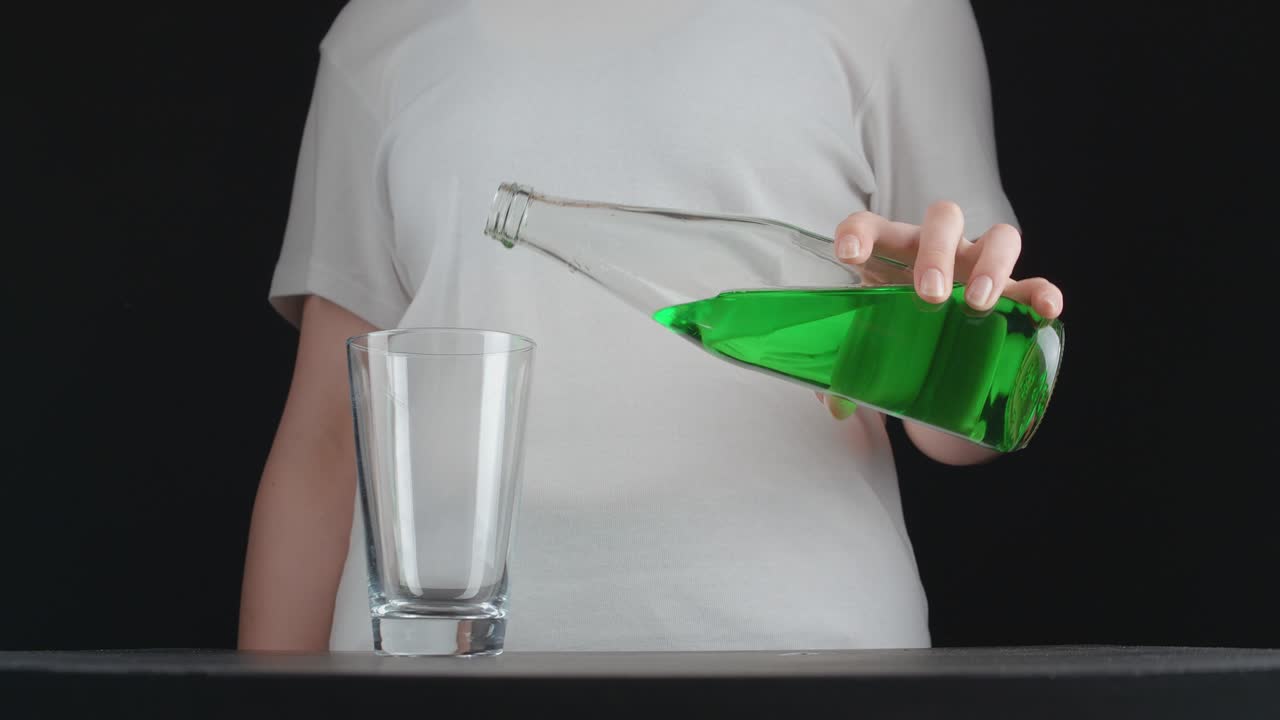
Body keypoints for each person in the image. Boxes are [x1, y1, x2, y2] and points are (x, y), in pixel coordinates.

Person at [238, 0, 1064, 653]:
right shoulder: (384, 29)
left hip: (806, 657)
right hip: (435, 670)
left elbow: (970, 426)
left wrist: (944, 331)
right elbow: (328, 440)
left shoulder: (893, 11)